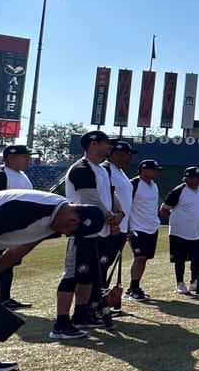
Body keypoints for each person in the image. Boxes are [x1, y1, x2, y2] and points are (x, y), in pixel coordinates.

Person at [0, 190, 107, 371]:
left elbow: (17, 250)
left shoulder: (56, 217)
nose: (66, 234)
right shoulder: (28, 209)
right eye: (72, 231)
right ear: (73, 218)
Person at [57, 130, 123, 335]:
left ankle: (81, 314)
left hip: (98, 230)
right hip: (82, 229)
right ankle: (61, 323)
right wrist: (109, 216)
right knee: (72, 275)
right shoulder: (81, 167)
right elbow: (89, 197)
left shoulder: (103, 170)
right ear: (93, 144)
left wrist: (119, 212)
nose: (110, 146)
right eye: (106, 142)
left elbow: (110, 193)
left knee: (88, 275)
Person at [0, 144, 35, 309]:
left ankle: (4, 298)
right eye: (25, 156)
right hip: (0, 228)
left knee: (8, 262)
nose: (28, 159)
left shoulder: (21, 174)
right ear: (12, 157)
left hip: (15, 228)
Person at [161, 166, 199, 295]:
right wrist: (177, 220)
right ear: (187, 179)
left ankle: (194, 282)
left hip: (197, 232)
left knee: (197, 259)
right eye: (196, 177)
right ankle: (180, 283)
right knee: (180, 259)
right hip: (179, 232)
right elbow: (164, 209)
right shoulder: (178, 191)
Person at [101, 139, 138, 301]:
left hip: (121, 227)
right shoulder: (105, 169)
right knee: (101, 266)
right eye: (127, 154)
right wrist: (111, 221)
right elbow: (102, 197)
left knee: (106, 266)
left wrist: (127, 226)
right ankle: (95, 303)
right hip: (108, 227)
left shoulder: (120, 171)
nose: (130, 158)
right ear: (116, 153)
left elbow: (125, 202)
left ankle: (102, 301)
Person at [126, 159, 164, 301]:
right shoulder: (133, 184)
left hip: (152, 227)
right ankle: (134, 288)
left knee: (144, 259)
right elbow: (125, 205)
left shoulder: (154, 185)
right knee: (139, 257)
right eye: (153, 169)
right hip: (137, 227)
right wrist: (128, 227)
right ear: (143, 170)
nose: (156, 172)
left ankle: (133, 287)